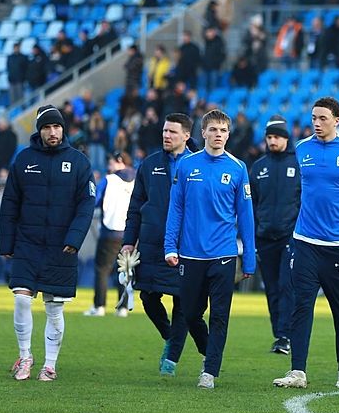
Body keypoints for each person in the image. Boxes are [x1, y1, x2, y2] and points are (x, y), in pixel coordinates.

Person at [273, 98, 339, 390]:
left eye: (323, 118)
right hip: (305, 242)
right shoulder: (301, 149)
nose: (317, 123)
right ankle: (297, 372)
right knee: (301, 306)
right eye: (314, 117)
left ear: (336, 121)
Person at [1, 105, 95, 382]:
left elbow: (86, 205)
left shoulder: (79, 162)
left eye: (57, 127)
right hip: (28, 244)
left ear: (63, 129)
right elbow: (10, 204)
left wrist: (74, 239)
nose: (52, 132)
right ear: (39, 130)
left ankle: (49, 364)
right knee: (20, 299)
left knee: (54, 309)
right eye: (47, 127)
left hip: (61, 246)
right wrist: (6, 242)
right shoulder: (23, 160)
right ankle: (25, 357)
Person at [164, 109, 256, 389]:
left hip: (224, 254)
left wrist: (249, 259)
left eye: (223, 130)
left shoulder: (238, 168)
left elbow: (246, 216)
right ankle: (209, 351)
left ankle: (210, 370)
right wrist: (170, 245)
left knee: (219, 315)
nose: (218, 135)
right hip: (190, 254)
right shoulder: (186, 166)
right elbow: (175, 208)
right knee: (190, 313)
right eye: (213, 130)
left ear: (229, 134)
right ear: (203, 133)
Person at [121, 113, 207, 376]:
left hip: (186, 245)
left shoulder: (200, 164)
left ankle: (172, 356)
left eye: (172, 132)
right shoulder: (149, 165)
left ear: (186, 136)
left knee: (183, 302)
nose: (166, 136)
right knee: (147, 296)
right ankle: (171, 337)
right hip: (151, 243)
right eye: (164, 131)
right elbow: (135, 208)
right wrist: (128, 242)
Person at [249, 115, 301, 355]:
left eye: (277, 137)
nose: (273, 141)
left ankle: (285, 335)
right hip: (264, 237)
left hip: (289, 237)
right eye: (269, 137)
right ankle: (279, 335)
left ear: (286, 138)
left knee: (286, 286)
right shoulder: (258, 167)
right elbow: (251, 205)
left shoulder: (298, 164)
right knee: (271, 288)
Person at [85, 152, 136, 318]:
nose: (109, 166)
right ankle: (123, 307)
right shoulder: (137, 179)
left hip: (110, 229)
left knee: (102, 269)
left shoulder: (110, 180)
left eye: (111, 162)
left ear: (119, 161)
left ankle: (99, 305)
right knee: (125, 270)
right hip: (130, 232)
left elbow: (96, 199)